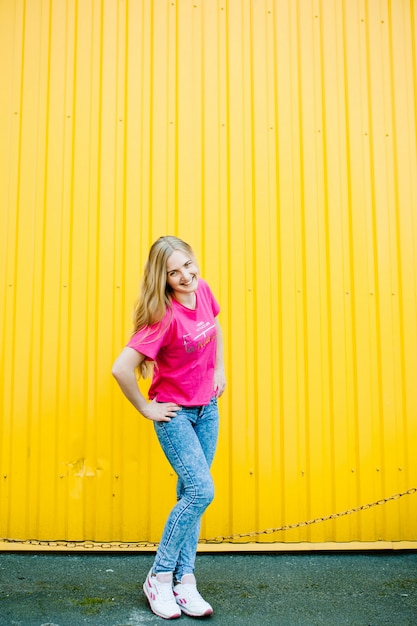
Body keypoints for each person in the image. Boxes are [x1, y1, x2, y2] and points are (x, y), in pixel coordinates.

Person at [112, 235, 226, 620]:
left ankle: (185, 581)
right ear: (162, 278)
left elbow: (215, 328)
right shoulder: (164, 316)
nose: (185, 276)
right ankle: (159, 576)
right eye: (173, 272)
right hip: (176, 416)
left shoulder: (204, 290)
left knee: (190, 497)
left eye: (187, 266)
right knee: (200, 491)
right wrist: (146, 407)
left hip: (207, 410)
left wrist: (220, 370)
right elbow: (121, 368)